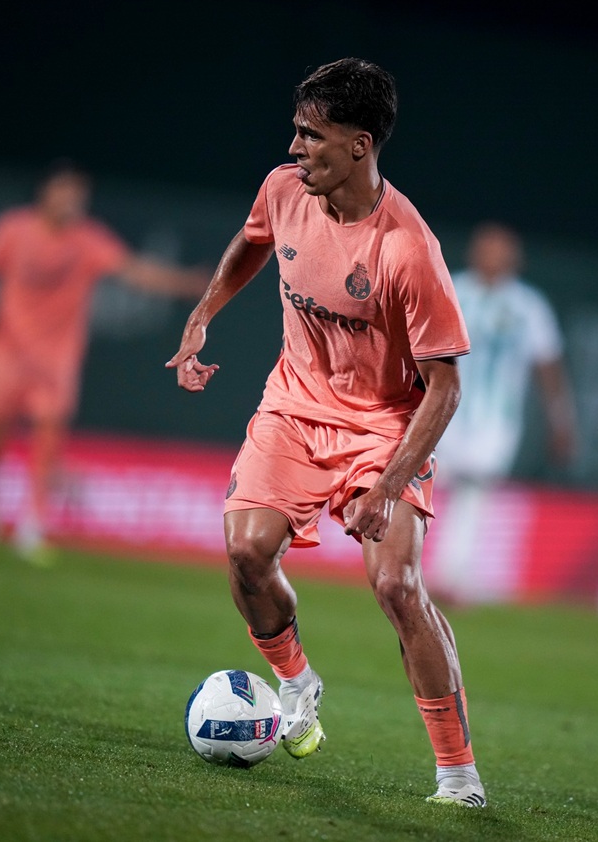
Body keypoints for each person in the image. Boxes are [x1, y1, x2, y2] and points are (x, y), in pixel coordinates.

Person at [165, 58, 485, 807]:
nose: (295, 146)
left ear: (359, 145)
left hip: (384, 427)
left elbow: (445, 388)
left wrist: (389, 485)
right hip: (294, 406)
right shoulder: (285, 189)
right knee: (246, 550)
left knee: (396, 585)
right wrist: (203, 314)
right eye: (297, 131)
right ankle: (296, 683)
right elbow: (253, 240)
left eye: (311, 135)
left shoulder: (407, 250)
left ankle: (458, 775)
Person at [0, 160, 209, 563]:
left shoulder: (87, 239)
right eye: (65, 192)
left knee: (48, 439)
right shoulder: (13, 229)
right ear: (45, 193)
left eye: (79, 195)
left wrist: (185, 284)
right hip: (7, 352)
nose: (72, 201)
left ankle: (32, 526)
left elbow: (134, 271)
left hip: (56, 359)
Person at [430, 221, 577, 605]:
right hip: (442, 409)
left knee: (473, 491)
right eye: (486, 248)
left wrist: (560, 419)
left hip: (496, 422)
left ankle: (452, 575)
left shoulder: (529, 306)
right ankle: (407, 566)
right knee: (427, 483)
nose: (492, 257)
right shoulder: (451, 289)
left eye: (500, 250)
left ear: (515, 258)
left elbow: (548, 366)